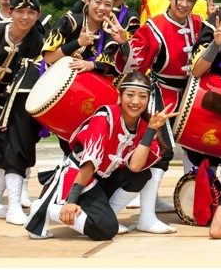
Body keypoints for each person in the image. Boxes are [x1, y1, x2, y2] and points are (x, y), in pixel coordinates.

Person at [26, 69, 173, 240]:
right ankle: (50, 208)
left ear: (148, 100)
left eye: (142, 96)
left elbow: (135, 166)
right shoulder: (105, 116)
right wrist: (71, 200)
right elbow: (89, 162)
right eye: (130, 94)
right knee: (106, 230)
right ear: (119, 96)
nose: (135, 101)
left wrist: (151, 130)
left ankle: (102, 216)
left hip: (102, 179)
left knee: (141, 175)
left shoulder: (144, 125)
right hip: (80, 176)